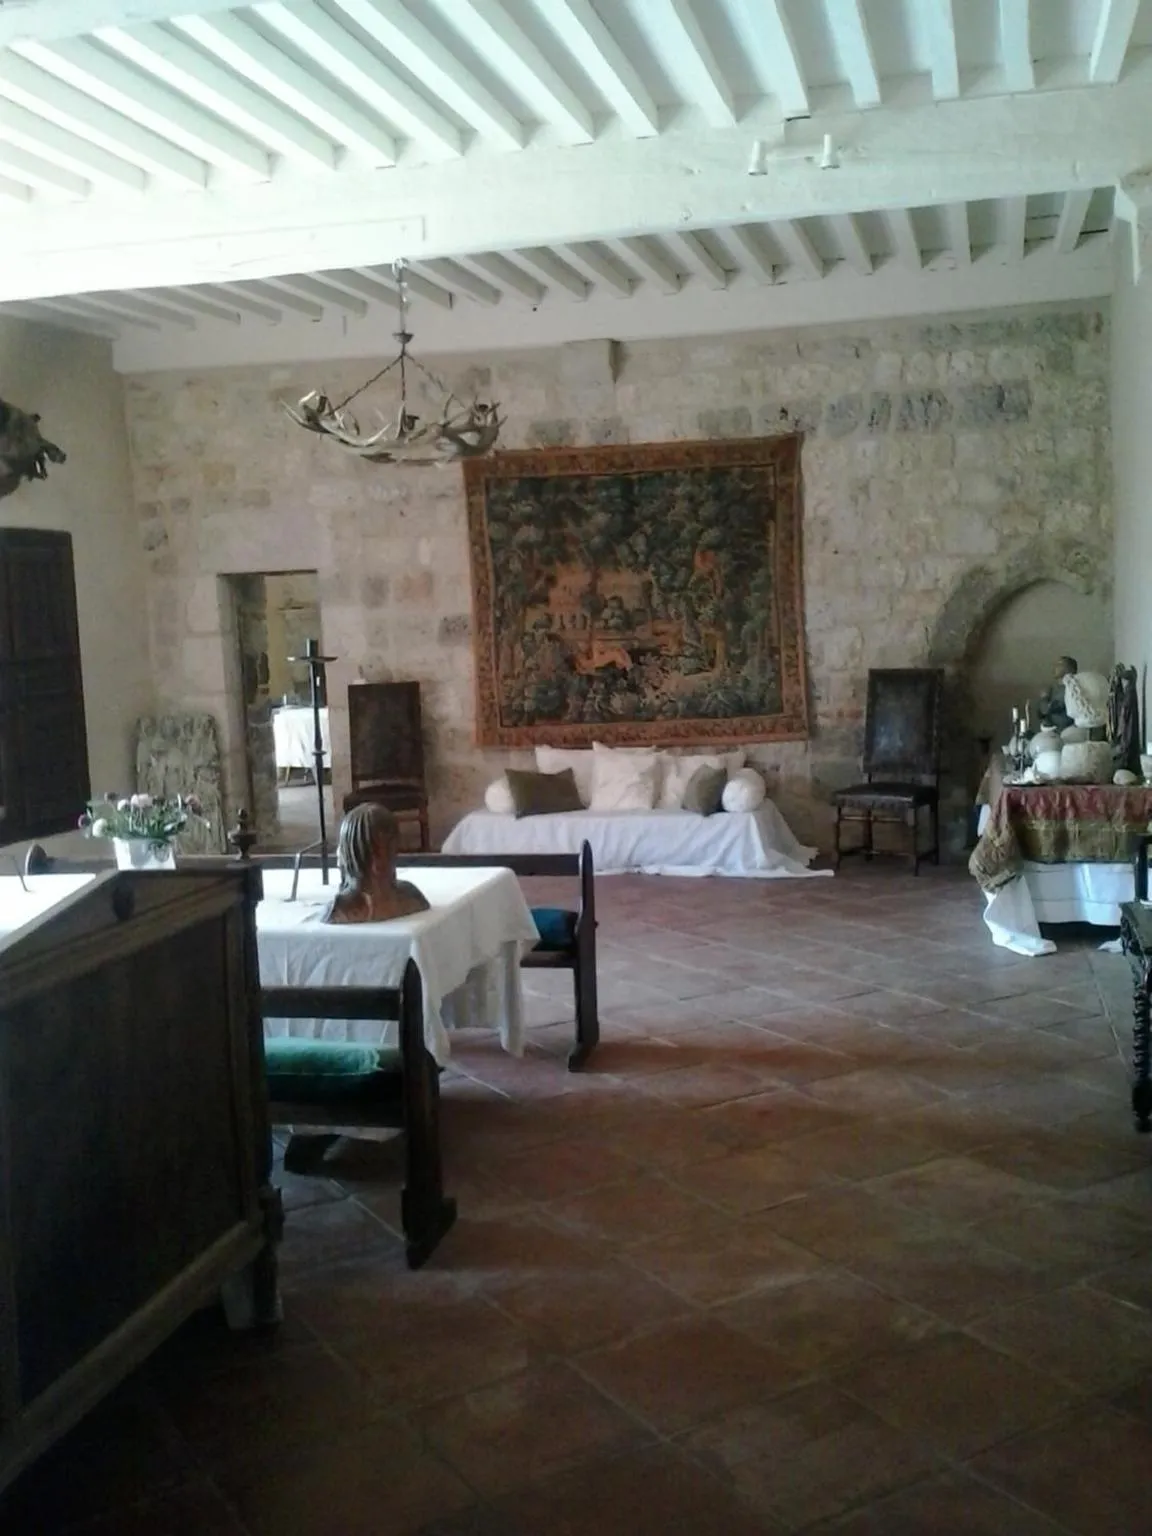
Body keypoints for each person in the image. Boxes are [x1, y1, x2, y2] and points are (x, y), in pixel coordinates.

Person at [325, 803, 429, 925]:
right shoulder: (412, 896)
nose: (381, 858)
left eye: (387, 846)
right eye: (377, 850)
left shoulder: (411, 895)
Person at [1038, 655, 1078, 731]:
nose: (1054, 667)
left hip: (1065, 733)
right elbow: (1041, 714)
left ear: (1068, 669)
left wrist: (1044, 697)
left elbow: (1046, 710)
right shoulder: (1054, 688)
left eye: (1059, 664)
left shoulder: (1069, 689)